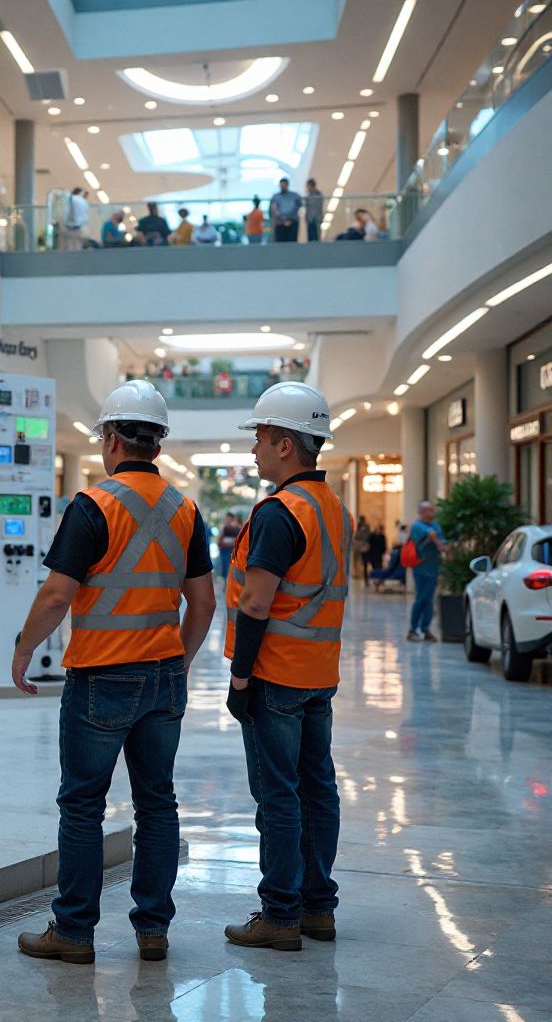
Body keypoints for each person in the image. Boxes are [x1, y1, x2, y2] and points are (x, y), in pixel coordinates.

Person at [14, 380, 216, 965]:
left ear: (109, 439)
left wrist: (23, 650)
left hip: (101, 677)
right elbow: (204, 603)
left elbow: (57, 595)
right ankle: (153, 930)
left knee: (83, 805)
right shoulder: (185, 510)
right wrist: (178, 660)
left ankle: (74, 932)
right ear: (158, 444)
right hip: (163, 676)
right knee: (157, 804)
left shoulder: (93, 505)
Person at [222, 380, 352, 952]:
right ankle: (317, 908)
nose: (254, 449)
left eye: (260, 438)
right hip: (319, 675)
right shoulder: (334, 508)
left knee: (278, 796)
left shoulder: (280, 514)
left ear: (284, 445)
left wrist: (240, 678)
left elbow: (256, 604)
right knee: (318, 790)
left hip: (275, 676)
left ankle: (279, 914)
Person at [408, 500, 447, 642]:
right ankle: (413, 629)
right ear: (422, 512)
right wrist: (437, 543)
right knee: (421, 598)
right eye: (429, 510)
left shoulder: (435, 525)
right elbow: (431, 536)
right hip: (421, 569)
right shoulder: (417, 526)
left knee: (429, 599)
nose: (432, 513)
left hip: (433, 568)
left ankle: (426, 629)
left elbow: (442, 540)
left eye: (432, 510)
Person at [269, 178, 302, 243]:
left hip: (292, 222)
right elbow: (273, 210)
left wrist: (290, 218)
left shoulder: (295, 196)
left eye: (284, 185)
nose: (282, 187)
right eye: (281, 185)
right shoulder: (276, 197)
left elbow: (298, 206)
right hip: (280, 223)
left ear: (287, 185)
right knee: (280, 243)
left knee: (292, 242)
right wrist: (280, 220)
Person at [218, 511, 241, 582]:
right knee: (225, 569)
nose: (228, 521)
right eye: (227, 519)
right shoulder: (224, 529)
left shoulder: (237, 529)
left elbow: (238, 542)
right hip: (225, 552)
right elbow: (219, 543)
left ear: (232, 519)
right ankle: (225, 583)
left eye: (229, 519)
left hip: (232, 552)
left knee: (232, 569)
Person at [354, 516, 371, 585]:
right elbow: (356, 536)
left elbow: (367, 536)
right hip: (358, 547)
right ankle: (358, 575)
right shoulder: (358, 526)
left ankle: (365, 578)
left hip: (364, 547)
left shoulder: (367, 527)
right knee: (357, 562)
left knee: (365, 563)